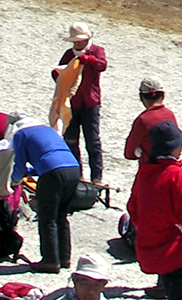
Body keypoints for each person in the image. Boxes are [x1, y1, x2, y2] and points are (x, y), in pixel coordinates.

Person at [128, 120, 182, 300]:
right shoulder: (177, 175)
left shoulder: (144, 174)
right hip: (180, 254)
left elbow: (133, 210)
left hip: (155, 253)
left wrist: (152, 231)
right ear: (171, 148)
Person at [10, 114, 84, 272]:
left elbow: (19, 165)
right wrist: (31, 171)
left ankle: (50, 261)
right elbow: (49, 157)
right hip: (73, 169)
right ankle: (64, 258)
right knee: (61, 215)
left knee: (47, 217)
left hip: (52, 173)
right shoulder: (46, 130)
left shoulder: (20, 134)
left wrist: (14, 181)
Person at [55, 22, 109, 185]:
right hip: (72, 103)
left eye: (80, 41)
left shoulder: (97, 51)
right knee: (71, 139)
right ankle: (77, 175)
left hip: (90, 102)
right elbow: (59, 73)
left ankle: (96, 176)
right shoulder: (69, 55)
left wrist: (89, 60)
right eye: (75, 41)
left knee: (92, 140)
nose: (77, 44)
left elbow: (102, 65)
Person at [123, 77, 175, 163]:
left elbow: (129, 153)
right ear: (163, 95)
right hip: (171, 166)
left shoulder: (142, 120)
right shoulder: (170, 115)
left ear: (141, 97)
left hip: (150, 167)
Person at [44, 254, 114, 300]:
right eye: (85, 284)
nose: (90, 291)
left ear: (104, 285)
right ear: (75, 281)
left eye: (97, 285)